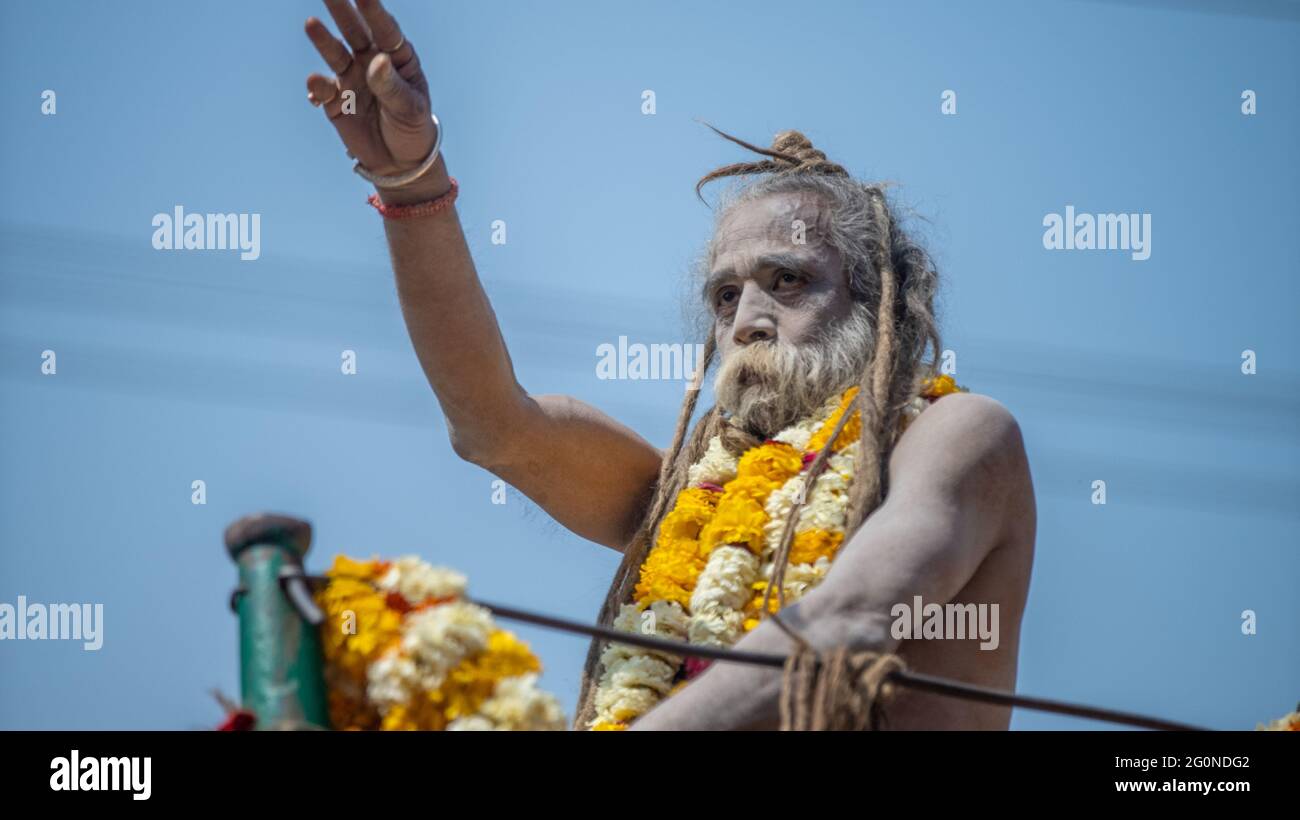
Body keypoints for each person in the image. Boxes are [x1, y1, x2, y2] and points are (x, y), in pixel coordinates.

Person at [302, 0, 1036, 730]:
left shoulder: (961, 433)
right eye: (724, 296)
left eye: (787, 281)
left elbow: (850, 621)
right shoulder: (681, 495)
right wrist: (412, 181)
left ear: (880, 303)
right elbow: (493, 426)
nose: (747, 320)